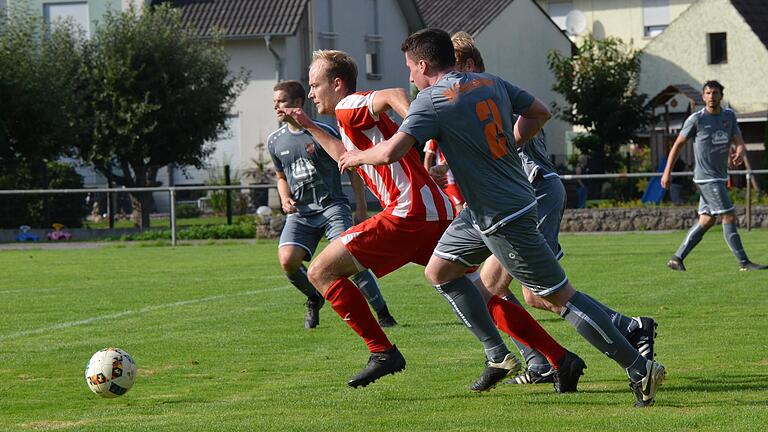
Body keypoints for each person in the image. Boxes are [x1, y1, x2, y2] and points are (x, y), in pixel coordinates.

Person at [338, 28, 666, 407]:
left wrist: (355, 157)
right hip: (485, 212)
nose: (409, 76)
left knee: (558, 296)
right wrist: (508, 145)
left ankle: (639, 367)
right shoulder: (489, 82)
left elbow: (390, 152)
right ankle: (498, 354)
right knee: (439, 271)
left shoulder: (430, 101)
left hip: (503, 216)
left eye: (410, 68)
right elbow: (540, 112)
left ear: (424, 64)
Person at [281, 50, 581, 392]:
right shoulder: (350, 119)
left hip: (408, 213)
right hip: (435, 213)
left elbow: (394, 94)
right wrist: (307, 125)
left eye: (314, 84)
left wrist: (425, 121)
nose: (310, 93)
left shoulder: (350, 105)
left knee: (321, 271)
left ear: (337, 84)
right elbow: (346, 157)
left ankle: (383, 352)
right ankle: (560, 358)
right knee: (479, 292)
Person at [444, 31, 656, 386]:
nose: (443, 79)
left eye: (449, 69)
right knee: (528, 294)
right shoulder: (479, 93)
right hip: (522, 197)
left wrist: (501, 150)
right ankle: (622, 331)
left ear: (466, 65)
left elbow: (534, 118)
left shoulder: (489, 91)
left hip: (532, 193)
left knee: (491, 291)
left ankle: (547, 358)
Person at [268, 80, 397, 329]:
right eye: (274, 102)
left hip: (332, 208)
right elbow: (281, 176)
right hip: (301, 213)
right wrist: (284, 197)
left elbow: (353, 169)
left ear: (298, 103)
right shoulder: (275, 141)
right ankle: (314, 297)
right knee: (287, 261)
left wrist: (361, 206)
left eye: (281, 101)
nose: (276, 107)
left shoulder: (324, 132)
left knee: (351, 260)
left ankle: (382, 312)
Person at [662, 80, 767, 272]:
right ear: (703, 97)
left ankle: (676, 258)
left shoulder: (729, 116)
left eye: (715, 93)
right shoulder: (697, 119)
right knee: (728, 216)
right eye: (708, 93)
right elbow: (677, 145)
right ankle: (744, 262)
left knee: (707, 220)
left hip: (719, 176)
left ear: (721, 96)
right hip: (706, 178)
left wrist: (739, 152)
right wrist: (667, 171)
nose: (711, 96)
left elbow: (739, 142)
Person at [423, 138, 465, 214]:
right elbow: (428, 157)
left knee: (465, 207)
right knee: (460, 208)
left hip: (461, 176)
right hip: (448, 177)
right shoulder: (433, 134)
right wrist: (428, 180)